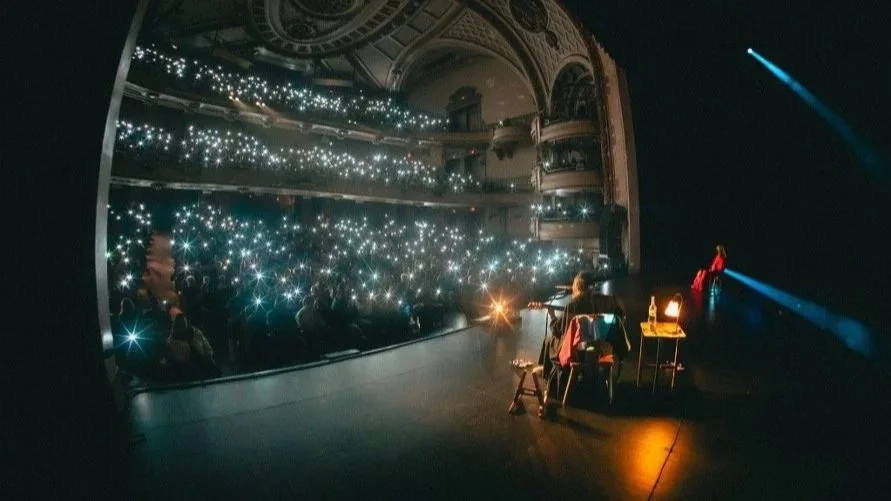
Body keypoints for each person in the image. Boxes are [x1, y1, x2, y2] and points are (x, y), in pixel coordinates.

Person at [528, 272, 626, 417]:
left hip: (577, 352)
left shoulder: (572, 306)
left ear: (577, 286)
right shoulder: (606, 301)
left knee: (550, 341)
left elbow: (558, 330)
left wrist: (553, 315)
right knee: (561, 341)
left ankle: (550, 378)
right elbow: (620, 313)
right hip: (599, 350)